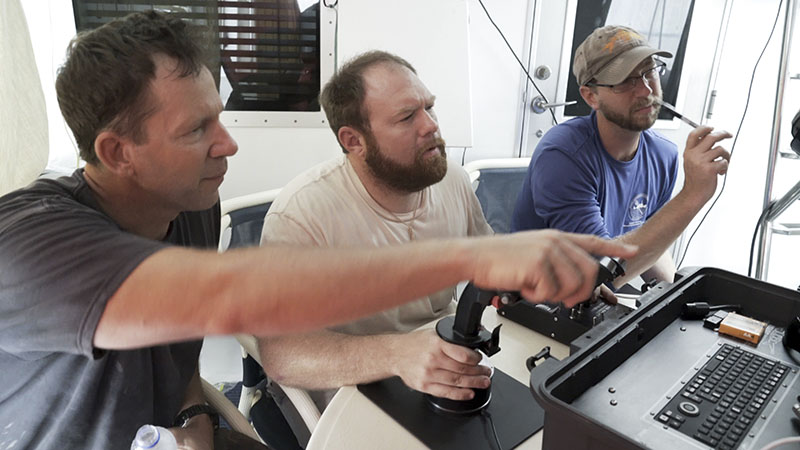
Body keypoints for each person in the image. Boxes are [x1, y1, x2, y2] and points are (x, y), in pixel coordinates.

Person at [0, 11, 636, 450]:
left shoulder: (187, 205)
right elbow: (221, 298)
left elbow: (172, 350)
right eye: (197, 131)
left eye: (219, 119)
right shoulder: (27, 244)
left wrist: (193, 413)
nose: (227, 146)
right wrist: (479, 256)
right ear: (117, 152)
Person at [257, 51, 494, 409]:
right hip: (359, 391)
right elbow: (282, 355)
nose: (430, 125)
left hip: (448, 367)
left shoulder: (452, 180)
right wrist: (398, 354)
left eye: (429, 108)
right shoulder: (302, 216)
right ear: (354, 141)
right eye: (406, 117)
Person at [511, 25, 731, 289]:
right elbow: (596, 275)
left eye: (649, 71)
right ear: (590, 95)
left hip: (597, 302)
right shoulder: (563, 156)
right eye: (625, 80)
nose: (646, 90)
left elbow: (651, 240)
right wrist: (693, 194)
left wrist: (674, 296)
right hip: (534, 306)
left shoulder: (664, 155)